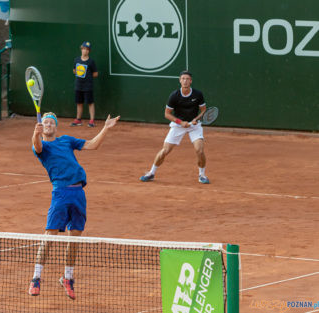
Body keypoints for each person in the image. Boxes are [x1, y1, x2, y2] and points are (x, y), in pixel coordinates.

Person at [29, 112, 120, 300]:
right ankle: (36, 277)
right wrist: (35, 134)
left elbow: (92, 145)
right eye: (44, 123)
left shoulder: (67, 140)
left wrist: (105, 128)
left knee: (75, 239)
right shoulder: (42, 146)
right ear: (41, 127)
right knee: (50, 236)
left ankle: (68, 278)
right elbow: (37, 147)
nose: (47, 125)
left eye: (51, 122)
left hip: (79, 193)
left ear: (55, 126)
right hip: (60, 193)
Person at [140, 70, 210, 184]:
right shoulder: (174, 95)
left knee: (199, 150)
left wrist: (196, 119)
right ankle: (151, 173)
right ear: (180, 80)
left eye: (187, 79)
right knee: (165, 151)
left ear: (191, 81)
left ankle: (202, 175)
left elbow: (204, 110)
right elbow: (167, 114)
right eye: (183, 79)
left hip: (194, 126)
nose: (185, 81)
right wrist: (180, 122)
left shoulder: (198, 94)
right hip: (178, 125)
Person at [70, 41, 98, 127]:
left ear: (89, 51)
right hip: (78, 85)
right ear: (81, 49)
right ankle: (78, 119)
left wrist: (87, 76)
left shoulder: (91, 62)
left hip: (88, 86)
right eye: (84, 49)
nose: (85, 51)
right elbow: (74, 70)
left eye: (87, 49)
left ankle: (92, 121)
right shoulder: (76, 60)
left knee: (90, 103)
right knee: (79, 103)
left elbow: (95, 74)